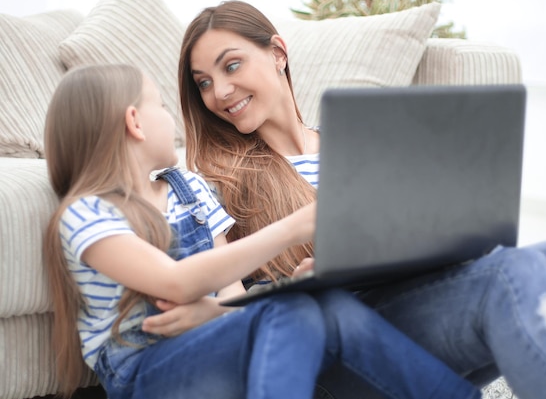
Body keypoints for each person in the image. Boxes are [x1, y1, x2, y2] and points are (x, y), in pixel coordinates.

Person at [177, 0, 546, 399]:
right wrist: (299, 285)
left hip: (412, 309)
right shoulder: (217, 178)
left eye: (231, 66)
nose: (219, 92)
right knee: (512, 275)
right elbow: (228, 310)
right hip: (336, 352)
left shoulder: (361, 144)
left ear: (278, 53)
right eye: (203, 83)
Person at [43, 63, 481, 399]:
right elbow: (175, 282)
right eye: (160, 105)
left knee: (313, 303)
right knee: (291, 311)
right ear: (135, 122)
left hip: (214, 345)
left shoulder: (188, 189)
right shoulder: (85, 214)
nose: (170, 117)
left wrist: (260, 300)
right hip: (146, 371)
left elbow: (231, 296)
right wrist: (294, 228)